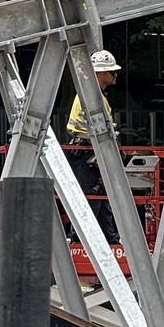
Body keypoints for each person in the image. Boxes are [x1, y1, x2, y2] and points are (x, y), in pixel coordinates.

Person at [66, 47, 122, 242]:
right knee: (91, 198)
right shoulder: (90, 98)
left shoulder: (96, 96)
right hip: (86, 153)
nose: (115, 75)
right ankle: (81, 239)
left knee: (102, 198)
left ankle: (109, 239)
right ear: (99, 73)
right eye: (111, 71)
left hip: (92, 152)